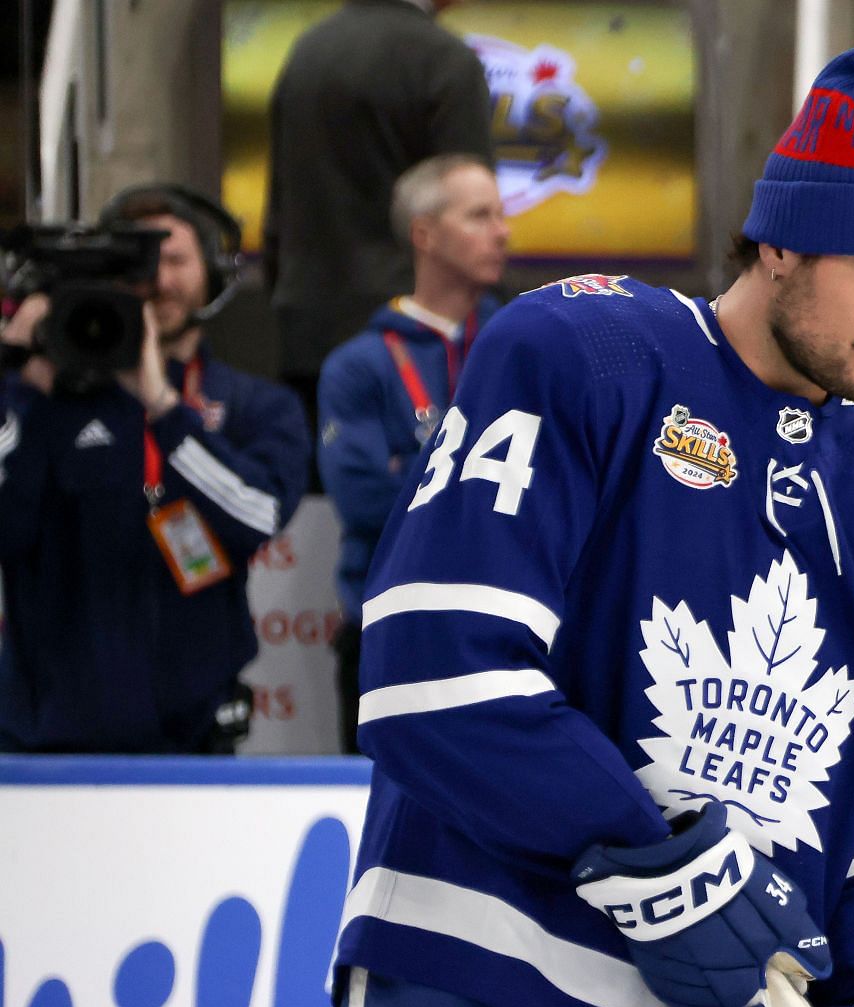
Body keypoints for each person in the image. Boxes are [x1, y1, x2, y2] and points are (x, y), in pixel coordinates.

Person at [330, 40, 854, 1007]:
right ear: (779, 243)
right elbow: (432, 671)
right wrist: (655, 853)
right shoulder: (585, 351)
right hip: (488, 985)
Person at [0, 184, 310, 753]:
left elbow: (258, 515)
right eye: (140, 262)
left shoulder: (253, 405)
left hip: (194, 739)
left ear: (212, 273)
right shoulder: (38, 401)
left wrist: (163, 407)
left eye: (175, 259)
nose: (160, 281)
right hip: (42, 742)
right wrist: (20, 383)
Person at [317, 153, 508, 751]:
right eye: (479, 215)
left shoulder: (525, 350)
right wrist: (485, 481)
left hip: (505, 636)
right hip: (388, 634)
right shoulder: (360, 364)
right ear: (424, 234)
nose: (502, 231)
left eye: (501, 215)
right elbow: (363, 498)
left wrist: (416, 468)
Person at [263, 0, 493, 435]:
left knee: (321, 500)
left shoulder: (305, 52)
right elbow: (470, 210)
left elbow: (278, 205)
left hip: (308, 331)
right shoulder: (445, 59)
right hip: (412, 349)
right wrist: (494, 331)